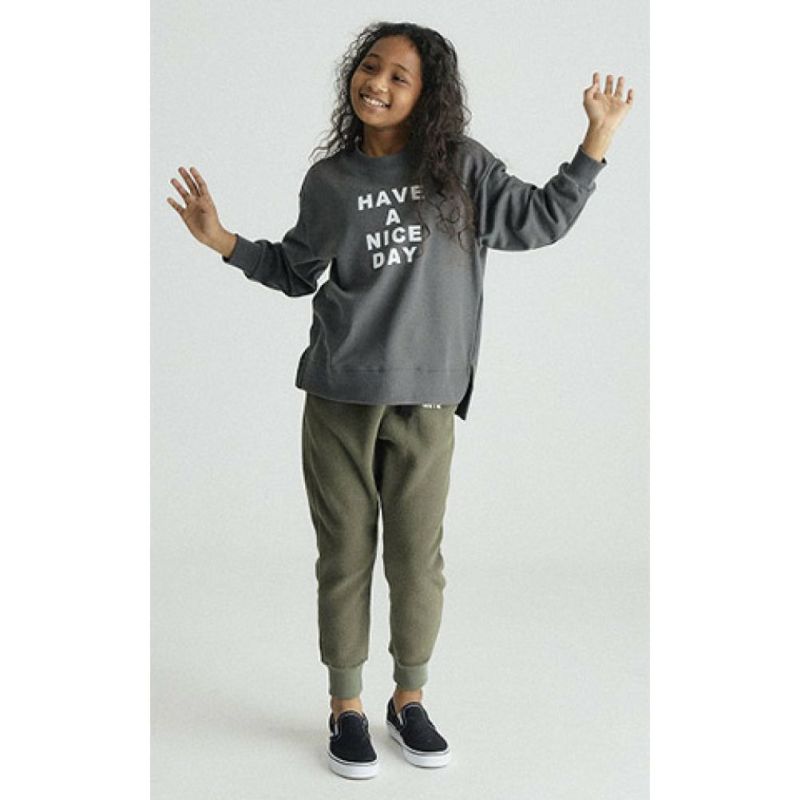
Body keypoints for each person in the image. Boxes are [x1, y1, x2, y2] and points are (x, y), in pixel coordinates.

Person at [167, 20, 633, 780]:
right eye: (369, 67)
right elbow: (295, 271)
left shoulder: (462, 168)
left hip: (427, 401)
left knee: (417, 564)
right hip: (338, 395)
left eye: (398, 76)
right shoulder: (331, 182)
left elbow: (540, 219)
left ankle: (408, 698)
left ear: (427, 95)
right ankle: (345, 706)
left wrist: (596, 140)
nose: (376, 84)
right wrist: (223, 240)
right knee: (344, 558)